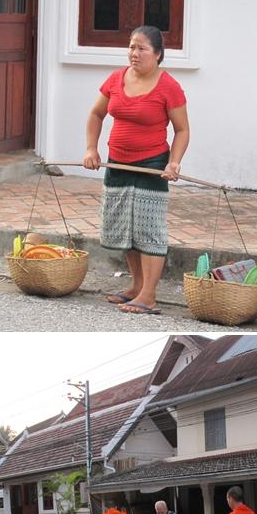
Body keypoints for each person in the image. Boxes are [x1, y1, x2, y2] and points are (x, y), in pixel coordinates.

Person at [82, 25, 190, 316]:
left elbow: (182, 130)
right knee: (124, 228)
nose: (134, 53)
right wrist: (92, 148)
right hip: (117, 163)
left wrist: (174, 162)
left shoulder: (169, 87)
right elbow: (96, 114)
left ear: (157, 54)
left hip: (151, 165)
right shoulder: (116, 79)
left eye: (141, 48)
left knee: (148, 229)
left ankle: (149, 296)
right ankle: (137, 287)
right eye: (131, 47)